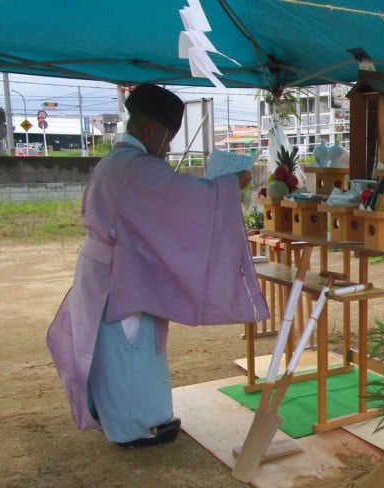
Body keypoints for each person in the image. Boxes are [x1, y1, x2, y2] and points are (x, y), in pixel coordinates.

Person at [47, 84, 269, 447]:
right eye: (167, 140)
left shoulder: (115, 162)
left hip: (108, 269)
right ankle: (136, 427)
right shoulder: (137, 168)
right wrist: (230, 184)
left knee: (120, 352)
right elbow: (185, 201)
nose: (168, 149)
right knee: (129, 353)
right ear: (149, 131)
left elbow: (168, 203)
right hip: (121, 276)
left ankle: (139, 418)